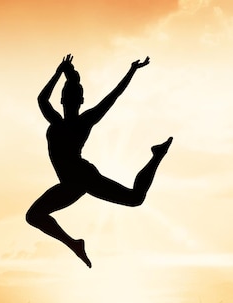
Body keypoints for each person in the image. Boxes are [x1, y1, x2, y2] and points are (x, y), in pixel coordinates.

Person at [26, 54, 172, 268]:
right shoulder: (76, 121)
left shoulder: (62, 122)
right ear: (78, 101)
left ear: (63, 100)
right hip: (72, 182)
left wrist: (59, 73)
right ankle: (75, 244)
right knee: (34, 216)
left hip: (81, 177)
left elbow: (43, 99)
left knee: (134, 199)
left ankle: (157, 155)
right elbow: (113, 96)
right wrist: (131, 70)